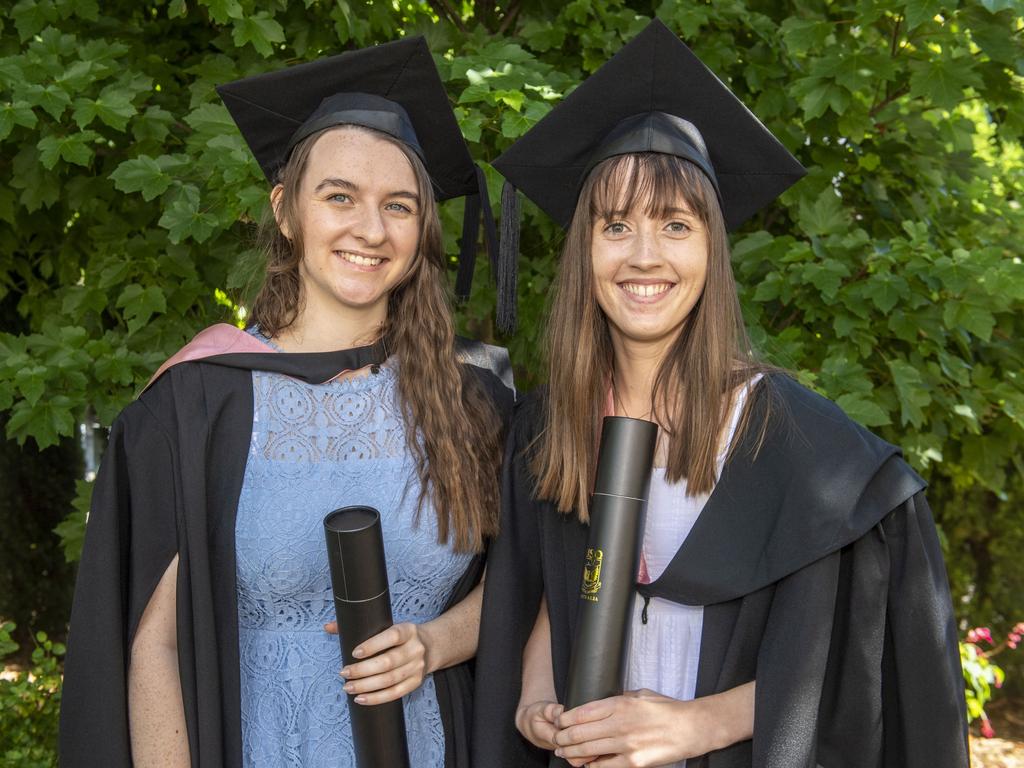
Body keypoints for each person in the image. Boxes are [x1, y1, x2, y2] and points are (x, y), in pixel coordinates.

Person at [474, 19, 968, 768]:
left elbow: (864, 663)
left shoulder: (800, 447)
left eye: (675, 224)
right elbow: (549, 589)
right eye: (616, 226)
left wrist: (699, 724)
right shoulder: (551, 425)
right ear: (585, 249)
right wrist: (537, 695)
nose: (645, 256)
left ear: (713, 249)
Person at [59, 37, 513, 768]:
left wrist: (433, 642)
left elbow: (521, 585)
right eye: (340, 197)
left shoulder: (473, 401)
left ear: (421, 230)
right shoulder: (199, 403)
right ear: (286, 209)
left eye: (397, 206)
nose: (370, 230)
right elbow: (153, 649)